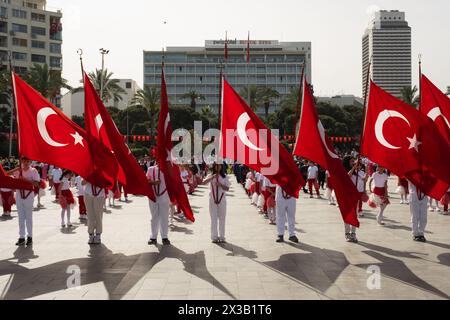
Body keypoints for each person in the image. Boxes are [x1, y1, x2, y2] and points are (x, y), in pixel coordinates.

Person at [11, 157, 40, 246]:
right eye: (24, 161)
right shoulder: (18, 170)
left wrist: (26, 180)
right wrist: (16, 169)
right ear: (21, 161)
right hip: (19, 194)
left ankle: (30, 236)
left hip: (28, 195)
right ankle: (21, 237)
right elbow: (6, 174)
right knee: (21, 216)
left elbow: (37, 184)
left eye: (27, 161)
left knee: (28, 217)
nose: (26, 162)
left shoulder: (33, 171)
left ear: (30, 161)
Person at [203, 163, 231, 244]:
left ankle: (222, 236)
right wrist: (212, 177)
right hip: (212, 200)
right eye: (216, 165)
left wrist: (220, 184)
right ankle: (214, 237)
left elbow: (227, 188)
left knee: (222, 218)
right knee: (213, 219)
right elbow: (203, 182)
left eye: (219, 165)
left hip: (222, 200)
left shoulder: (225, 176)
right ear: (214, 167)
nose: (218, 167)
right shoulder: (211, 175)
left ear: (221, 167)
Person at [147, 164, 171, 246]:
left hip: (164, 196)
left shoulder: (168, 168)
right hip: (153, 196)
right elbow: (146, 181)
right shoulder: (150, 169)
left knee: (164, 217)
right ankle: (153, 237)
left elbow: (174, 182)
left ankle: (164, 237)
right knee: (154, 217)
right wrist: (154, 182)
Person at [83, 179, 106, 244]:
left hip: (99, 195)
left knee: (98, 216)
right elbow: (82, 183)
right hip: (88, 194)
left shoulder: (104, 172)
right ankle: (91, 235)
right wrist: (88, 179)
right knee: (90, 216)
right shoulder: (88, 171)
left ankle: (98, 235)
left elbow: (108, 184)